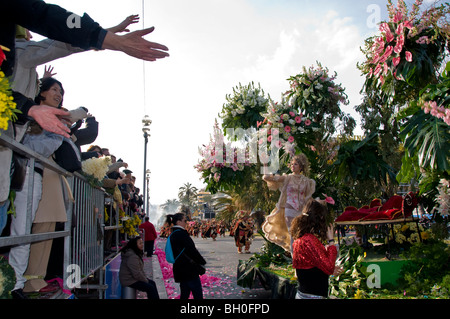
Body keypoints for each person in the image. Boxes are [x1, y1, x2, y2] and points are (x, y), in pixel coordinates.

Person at [1, 0, 169, 138]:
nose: (30, 35)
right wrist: (112, 39)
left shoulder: (24, 56)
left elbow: (58, 31)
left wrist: (109, 36)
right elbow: (60, 40)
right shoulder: (23, 53)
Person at [262, 154, 316, 252]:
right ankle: (295, 258)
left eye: (295, 164)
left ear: (301, 167)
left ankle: (301, 255)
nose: (292, 166)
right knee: (292, 233)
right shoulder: (287, 178)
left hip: (301, 210)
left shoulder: (306, 181)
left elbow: (309, 197)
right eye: (292, 164)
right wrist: (265, 164)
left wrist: (320, 203)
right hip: (289, 208)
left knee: (301, 234)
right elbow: (266, 177)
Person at [291, 199, 341, 299]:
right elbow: (328, 266)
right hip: (313, 295)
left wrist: (325, 271)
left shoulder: (300, 239)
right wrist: (331, 240)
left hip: (303, 294)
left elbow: (311, 266)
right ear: (320, 219)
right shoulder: (310, 240)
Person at [166, 213, 206, 299]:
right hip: (189, 269)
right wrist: (202, 262)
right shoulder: (182, 234)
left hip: (180, 268)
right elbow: (192, 250)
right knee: (197, 294)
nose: (186, 223)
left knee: (184, 294)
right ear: (179, 222)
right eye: (185, 221)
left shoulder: (173, 234)